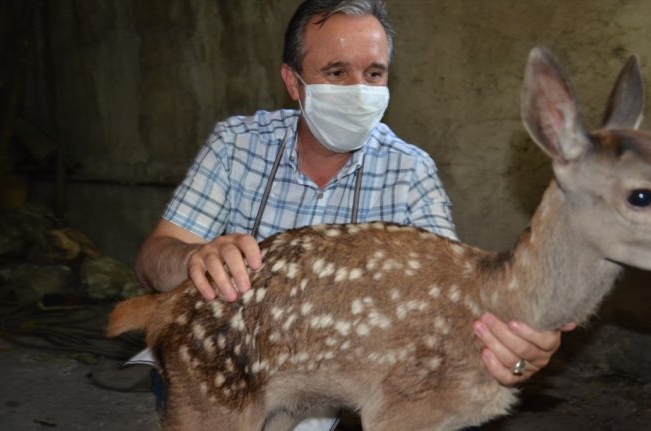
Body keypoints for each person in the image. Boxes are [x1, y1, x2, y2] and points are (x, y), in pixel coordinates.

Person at [134, 0, 574, 429]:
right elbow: (152, 261)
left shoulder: (410, 171)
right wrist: (193, 259)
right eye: (337, 72)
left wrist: (514, 348)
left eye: (374, 73)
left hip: (336, 391)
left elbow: (450, 316)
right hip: (231, 363)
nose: (358, 90)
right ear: (294, 82)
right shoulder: (236, 146)